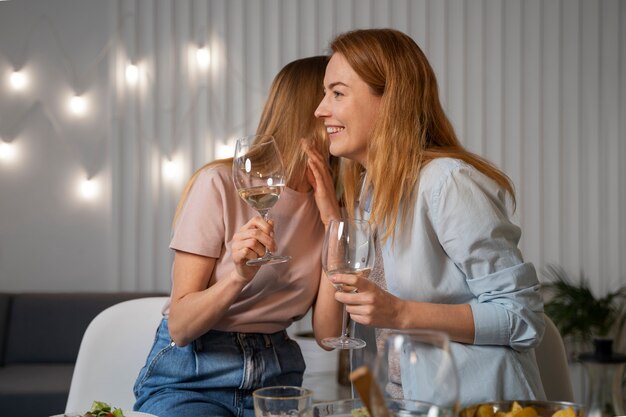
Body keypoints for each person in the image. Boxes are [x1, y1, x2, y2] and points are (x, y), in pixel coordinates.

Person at [304, 28, 546, 405]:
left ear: (390, 100)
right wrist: (331, 220)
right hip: (391, 405)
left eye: (337, 92)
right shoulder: (368, 193)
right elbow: (329, 331)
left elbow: (522, 317)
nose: (320, 109)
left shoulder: (447, 182)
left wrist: (399, 312)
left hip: (472, 408)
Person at [133, 55, 336, 417]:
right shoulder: (220, 184)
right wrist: (239, 276)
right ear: (313, 110)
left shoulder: (332, 205)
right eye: (334, 95)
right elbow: (180, 327)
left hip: (277, 373)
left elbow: (327, 335)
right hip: (195, 375)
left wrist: (334, 221)